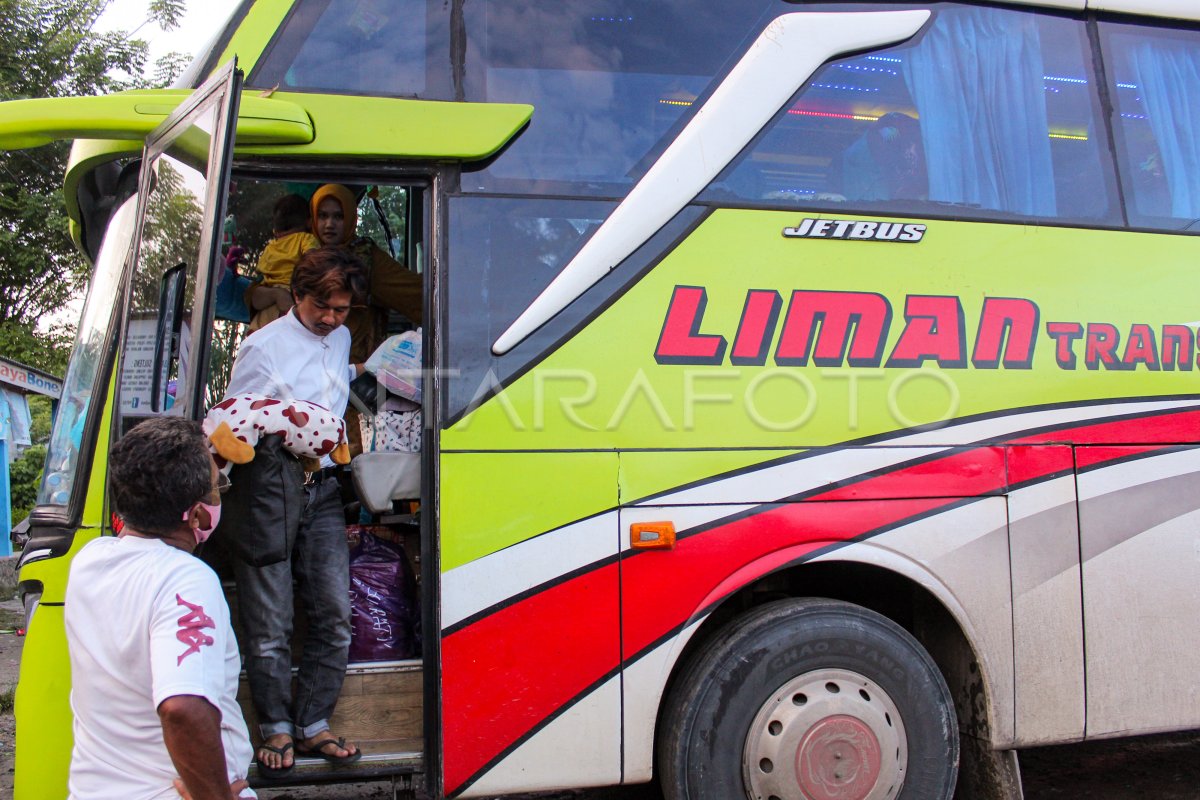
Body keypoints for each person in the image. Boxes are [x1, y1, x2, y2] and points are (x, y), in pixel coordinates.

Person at [223, 246, 366, 777]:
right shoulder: (262, 347)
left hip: (325, 486)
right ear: (298, 296)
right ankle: (275, 728)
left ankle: (313, 724)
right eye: (321, 307)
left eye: (342, 309)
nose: (331, 319)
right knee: (270, 620)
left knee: (335, 614)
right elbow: (235, 422)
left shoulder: (342, 338)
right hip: (270, 487)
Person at [64, 416, 253, 800]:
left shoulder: (88, 562)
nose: (220, 496)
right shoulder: (186, 580)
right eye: (218, 487)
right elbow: (183, 707)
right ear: (197, 514)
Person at [310, 183, 423, 455]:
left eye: (338, 216)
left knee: (351, 468)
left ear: (351, 218)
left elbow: (419, 297)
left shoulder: (365, 260)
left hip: (353, 386)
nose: (329, 224)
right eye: (323, 216)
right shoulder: (301, 256)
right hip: (308, 384)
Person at [247, 194, 321, 332]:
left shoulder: (271, 246)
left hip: (267, 303)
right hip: (291, 297)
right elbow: (313, 259)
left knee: (260, 335)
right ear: (310, 222)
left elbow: (261, 271)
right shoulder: (305, 238)